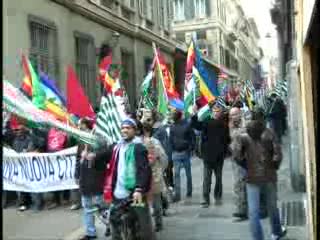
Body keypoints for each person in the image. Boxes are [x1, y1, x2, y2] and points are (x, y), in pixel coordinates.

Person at [231, 108, 287, 240]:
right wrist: (273, 167)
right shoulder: (270, 133)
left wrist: (247, 166)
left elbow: (236, 155)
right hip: (269, 176)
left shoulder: (243, 135)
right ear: (263, 119)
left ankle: (258, 238)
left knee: (253, 212)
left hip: (252, 177)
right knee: (272, 206)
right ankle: (276, 232)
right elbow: (278, 155)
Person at [102, 118, 154, 240]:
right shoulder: (116, 147)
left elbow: (144, 170)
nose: (124, 130)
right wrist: (91, 156)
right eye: (123, 128)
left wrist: (139, 189)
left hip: (135, 195)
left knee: (143, 227)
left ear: (135, 131)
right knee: (115, 226)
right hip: (118, 195)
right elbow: (101, 156)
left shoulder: (139, 147)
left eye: (128, 128)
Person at [75, 118, 112, 240]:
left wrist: (94, 155)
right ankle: (90, 233)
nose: (78, 127)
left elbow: (108, 153)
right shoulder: (81, 140)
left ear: (87, 125)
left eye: (80, 125)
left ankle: (110, 225)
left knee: (100, 207)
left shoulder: (100, 137)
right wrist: (76, 174)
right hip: (84, 177)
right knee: (87, 207)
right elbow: (77, 159)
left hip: (96, 177)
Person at [192, 107, 230, 208]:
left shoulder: (224, 125)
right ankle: (205, 198)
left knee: (218, 178)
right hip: (208, 156)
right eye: (215, 111)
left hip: (219, 156)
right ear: (212, 113)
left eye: (218, 111)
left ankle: (217, 196)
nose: (216, 113)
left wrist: (225, 152)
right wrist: (195, 115)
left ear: (220, 113)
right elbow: (197, 125)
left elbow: (227, 140)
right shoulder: (207, 122)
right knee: (207, 179)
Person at [140, 120, 168, 231]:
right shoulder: (137, 143)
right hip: (146, 177)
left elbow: (163, 157)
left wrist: (160, 169)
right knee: (147, 203)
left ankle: (158, 223)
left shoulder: (154, 143)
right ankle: (150, 225)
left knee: (155, 203)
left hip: (153, 176)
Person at [169, 110, 195, 202]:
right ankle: (179, 193)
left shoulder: (186, 125)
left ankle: (187, 191)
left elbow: (192, 138)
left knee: (182, 174)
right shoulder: (172, 126)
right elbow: (171, 139)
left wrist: (190, 148)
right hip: (178, 152)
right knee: (179, 174)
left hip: (183, 152)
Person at [229, 107, 248, 221]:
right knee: (239, 185)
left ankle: (244, 210)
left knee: (244, 185)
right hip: (236, 159)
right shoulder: (231, 125)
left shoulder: (245, 124)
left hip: (246, 159)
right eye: (231, 115)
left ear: (240, 114)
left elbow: (243, 135)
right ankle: (241, 209)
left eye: (235, 114)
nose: (233, 117)